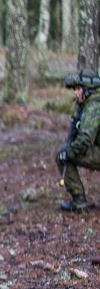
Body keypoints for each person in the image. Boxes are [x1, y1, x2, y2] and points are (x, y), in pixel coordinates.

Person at [57, 68, 100, 212]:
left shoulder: (93, 107)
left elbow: (85, 139)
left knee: (62, 154)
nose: (76, 92)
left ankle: (79, 201)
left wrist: (68, 153)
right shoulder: (90, 104)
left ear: (88, 89)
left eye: (78, 89)